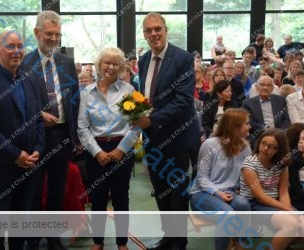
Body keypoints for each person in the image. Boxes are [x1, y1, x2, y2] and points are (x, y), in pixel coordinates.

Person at [0, 29, 45, 250]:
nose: (16, 51)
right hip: (2, 164)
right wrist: (15, 155)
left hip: (30, 163)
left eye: (20, 46)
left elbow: (39, 119)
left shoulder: (30, 79)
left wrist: (38, 149)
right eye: (10, 46)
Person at [136, 12, 200, 250]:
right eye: (148, 30)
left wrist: (150, 120)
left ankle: (179, 242)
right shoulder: (143, 61)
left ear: (166, 30)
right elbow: (147, 98)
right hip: (153, 138)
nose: (153, 34)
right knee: (160, 189)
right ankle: (168, 237)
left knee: (177, 190)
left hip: (178, 136)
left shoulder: (182, 58)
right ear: (144, 34)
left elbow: (183, 101)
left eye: (157, 29)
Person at [21, 10, 80, 250]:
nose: (54, 39)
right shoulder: (24, 63)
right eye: (49, 34)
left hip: (61, 135)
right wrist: (37, 115)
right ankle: (33, 239)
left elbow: (74, 100)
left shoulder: (66, 63)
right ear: (37, 33)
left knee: (57, 188)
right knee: (33, 190)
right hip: (33, 136)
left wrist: (76, 137)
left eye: (58, 34)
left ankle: (54, 237)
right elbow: (17, 102)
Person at [78, 47, 139, 250]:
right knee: (98, 198)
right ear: (99, 65)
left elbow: (136, 125)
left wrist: (121, 150)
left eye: (116, 63)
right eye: (107, 62)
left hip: (122, 149)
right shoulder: (87, 93)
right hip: (96, 151)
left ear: (121, 67)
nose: (111, 67)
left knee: (121, 197)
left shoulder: (128, 91)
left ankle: (122, 243)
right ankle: (98, 242)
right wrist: (97, 152)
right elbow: (82, 127)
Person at [240, 129, 304, 250]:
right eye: (263, 143)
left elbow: (284, 192)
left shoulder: (282, 164)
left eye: (271, 147)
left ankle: (278, 243)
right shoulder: (250, 164)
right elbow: (260, 196)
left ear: (278, 150)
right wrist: (288, 210)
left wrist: (288, 210)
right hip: (255, 203)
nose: (265, 148)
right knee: (291, 225)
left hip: (276, 202)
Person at [190, 108, 252, 250]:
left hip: (229, 191)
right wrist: (217, 193)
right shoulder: (210, 144)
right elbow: (201, 177)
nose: (250, 126)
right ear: (235, 127)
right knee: (228, 214)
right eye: (246, 123)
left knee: (244, 206)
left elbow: (246, 174)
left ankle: (240, 246)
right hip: (202, 193)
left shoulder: (245, 146)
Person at [242, 76, 290, 146]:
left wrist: (279, 132)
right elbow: (250, 122)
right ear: (257, 87)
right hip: (259, 135)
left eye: (268, 85)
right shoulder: (248, 103)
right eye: (262, 85)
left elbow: (286, 119)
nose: (265, 88)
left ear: (272, 88)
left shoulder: (281, 100)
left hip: (279, 134)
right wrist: (265, 129)